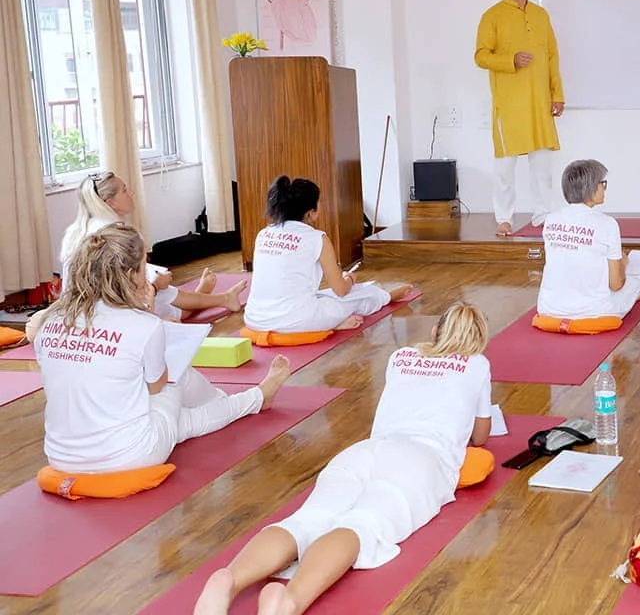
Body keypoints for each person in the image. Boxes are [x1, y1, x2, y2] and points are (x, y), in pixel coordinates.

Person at [194, 303, 493, 615]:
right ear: (478, 341)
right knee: (362, 526)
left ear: (434, 332)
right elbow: (481, 436)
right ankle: (290, 600)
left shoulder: (401, 356)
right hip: (419, 462)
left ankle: (229, 579)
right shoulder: (478, 364)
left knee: (307, 519)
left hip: (364, 452)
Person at [34, 223, 290, 474]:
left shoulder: (50, 320)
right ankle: (248, 399)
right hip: (133, 455)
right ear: (132, 273)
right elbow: (155, 386)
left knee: (179, 419)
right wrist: (148, 314)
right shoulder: (143, 324)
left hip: (61, 456)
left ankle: (245, 400)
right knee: (177, 377)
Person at [60, 171, 246, 321]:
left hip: (79, 310)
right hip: (111, 309)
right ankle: (219, 298)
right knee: (171, 301)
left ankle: (208, 296)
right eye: (124, 190)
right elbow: (132, 285)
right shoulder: (117, 235)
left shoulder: (74, 231)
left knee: (163, 292)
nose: (131, 193)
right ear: (110, 202)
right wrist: (157, 285)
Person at [243, 177, 413, 333]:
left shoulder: (263, 234)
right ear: (310, 212)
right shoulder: (317, 238)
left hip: (254, 318)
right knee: (362, 295)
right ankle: (386, 297)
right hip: (295, 321)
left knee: (323, 295)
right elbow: (340, 290)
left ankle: (333, 323)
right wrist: (350, 279)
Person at [474, 0, 565, 237]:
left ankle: (542, 215)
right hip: (509, 104)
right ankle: (504, 218)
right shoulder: (492, 16)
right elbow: (481, 56)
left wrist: (556, 94)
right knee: (505, 167)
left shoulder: (541, 15)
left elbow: (552, 57)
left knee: (542, 166)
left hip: (538, 103)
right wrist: (511, 59)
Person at [536, 160, 640, 321]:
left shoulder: (550, 220)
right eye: (602, 184)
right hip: (596, 312)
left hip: (548, 309)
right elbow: (616, 284)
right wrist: (623, 264)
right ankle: (631, 296)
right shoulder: (607, 224)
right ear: (591, 187)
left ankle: (630, 294)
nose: (604, 189)